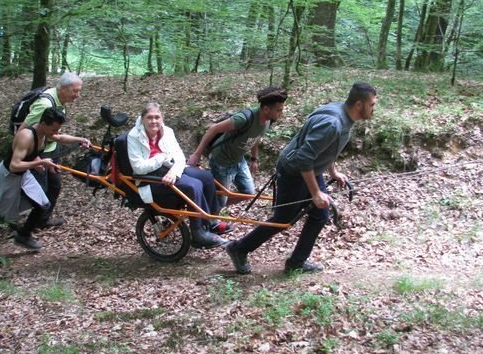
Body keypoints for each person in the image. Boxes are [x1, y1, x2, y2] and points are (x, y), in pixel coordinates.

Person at [225, 82, 377, 275]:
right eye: (371, 104)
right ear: (358, 104)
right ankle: (238, 248)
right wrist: (315, 193)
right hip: (294, 170)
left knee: (320, 215)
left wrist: (333, 172)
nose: (374, 109)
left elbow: (325, 149)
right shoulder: (333, 123)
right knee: (283, 218)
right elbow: (304, 157)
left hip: (310, 170)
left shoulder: (343, 114)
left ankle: (297, 262)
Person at [127, 103, 229, 248]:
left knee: (206, 177)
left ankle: (211, 221)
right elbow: (138, 167)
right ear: (142, 119)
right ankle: (198, 233)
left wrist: (174, 172)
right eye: (149, 118)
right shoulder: (134, 136)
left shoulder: (167, 131)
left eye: (157, 117)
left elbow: (179, 157)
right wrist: (161, 158)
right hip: (148, 178)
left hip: (169, 167)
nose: (154, 121)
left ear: (162, 118)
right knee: (193, 186)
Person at [0, 107, 68, 258]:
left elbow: (34, 152)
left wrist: (37, 162)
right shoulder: (26, 136)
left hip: (24, 175)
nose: (55, 133)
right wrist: (39, 162)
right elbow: (14, 165)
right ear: (43, 123)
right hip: (9, 176)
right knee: (0, 217)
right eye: (54, 129)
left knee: (43, 204)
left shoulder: (43, 133)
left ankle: (23, 234)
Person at [187, 87, 287, 212]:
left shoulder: (267, 121)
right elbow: (213, 129)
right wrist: (197, 154)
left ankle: (209, 207)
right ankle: (211, 221)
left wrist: (254, 159)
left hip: (239, 160)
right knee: (221, 199)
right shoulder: (244, 118)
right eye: (279, 110)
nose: (281, 114)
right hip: (222, 161)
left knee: (248, 192)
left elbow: (255, 137)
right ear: (266, 109)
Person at [19, 72, 90, 228]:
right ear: (63, 88)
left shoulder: (60, 103)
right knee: (40, 191)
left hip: (50, 149)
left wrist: (79, 140)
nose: (78, 95)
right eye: (75, 91)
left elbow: (54, 135)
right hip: (38, 153)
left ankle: (41, 221)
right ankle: (22, 228)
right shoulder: (45, 104)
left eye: (79, 91)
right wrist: (35, 158)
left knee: (55, 186)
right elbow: (23, 131)